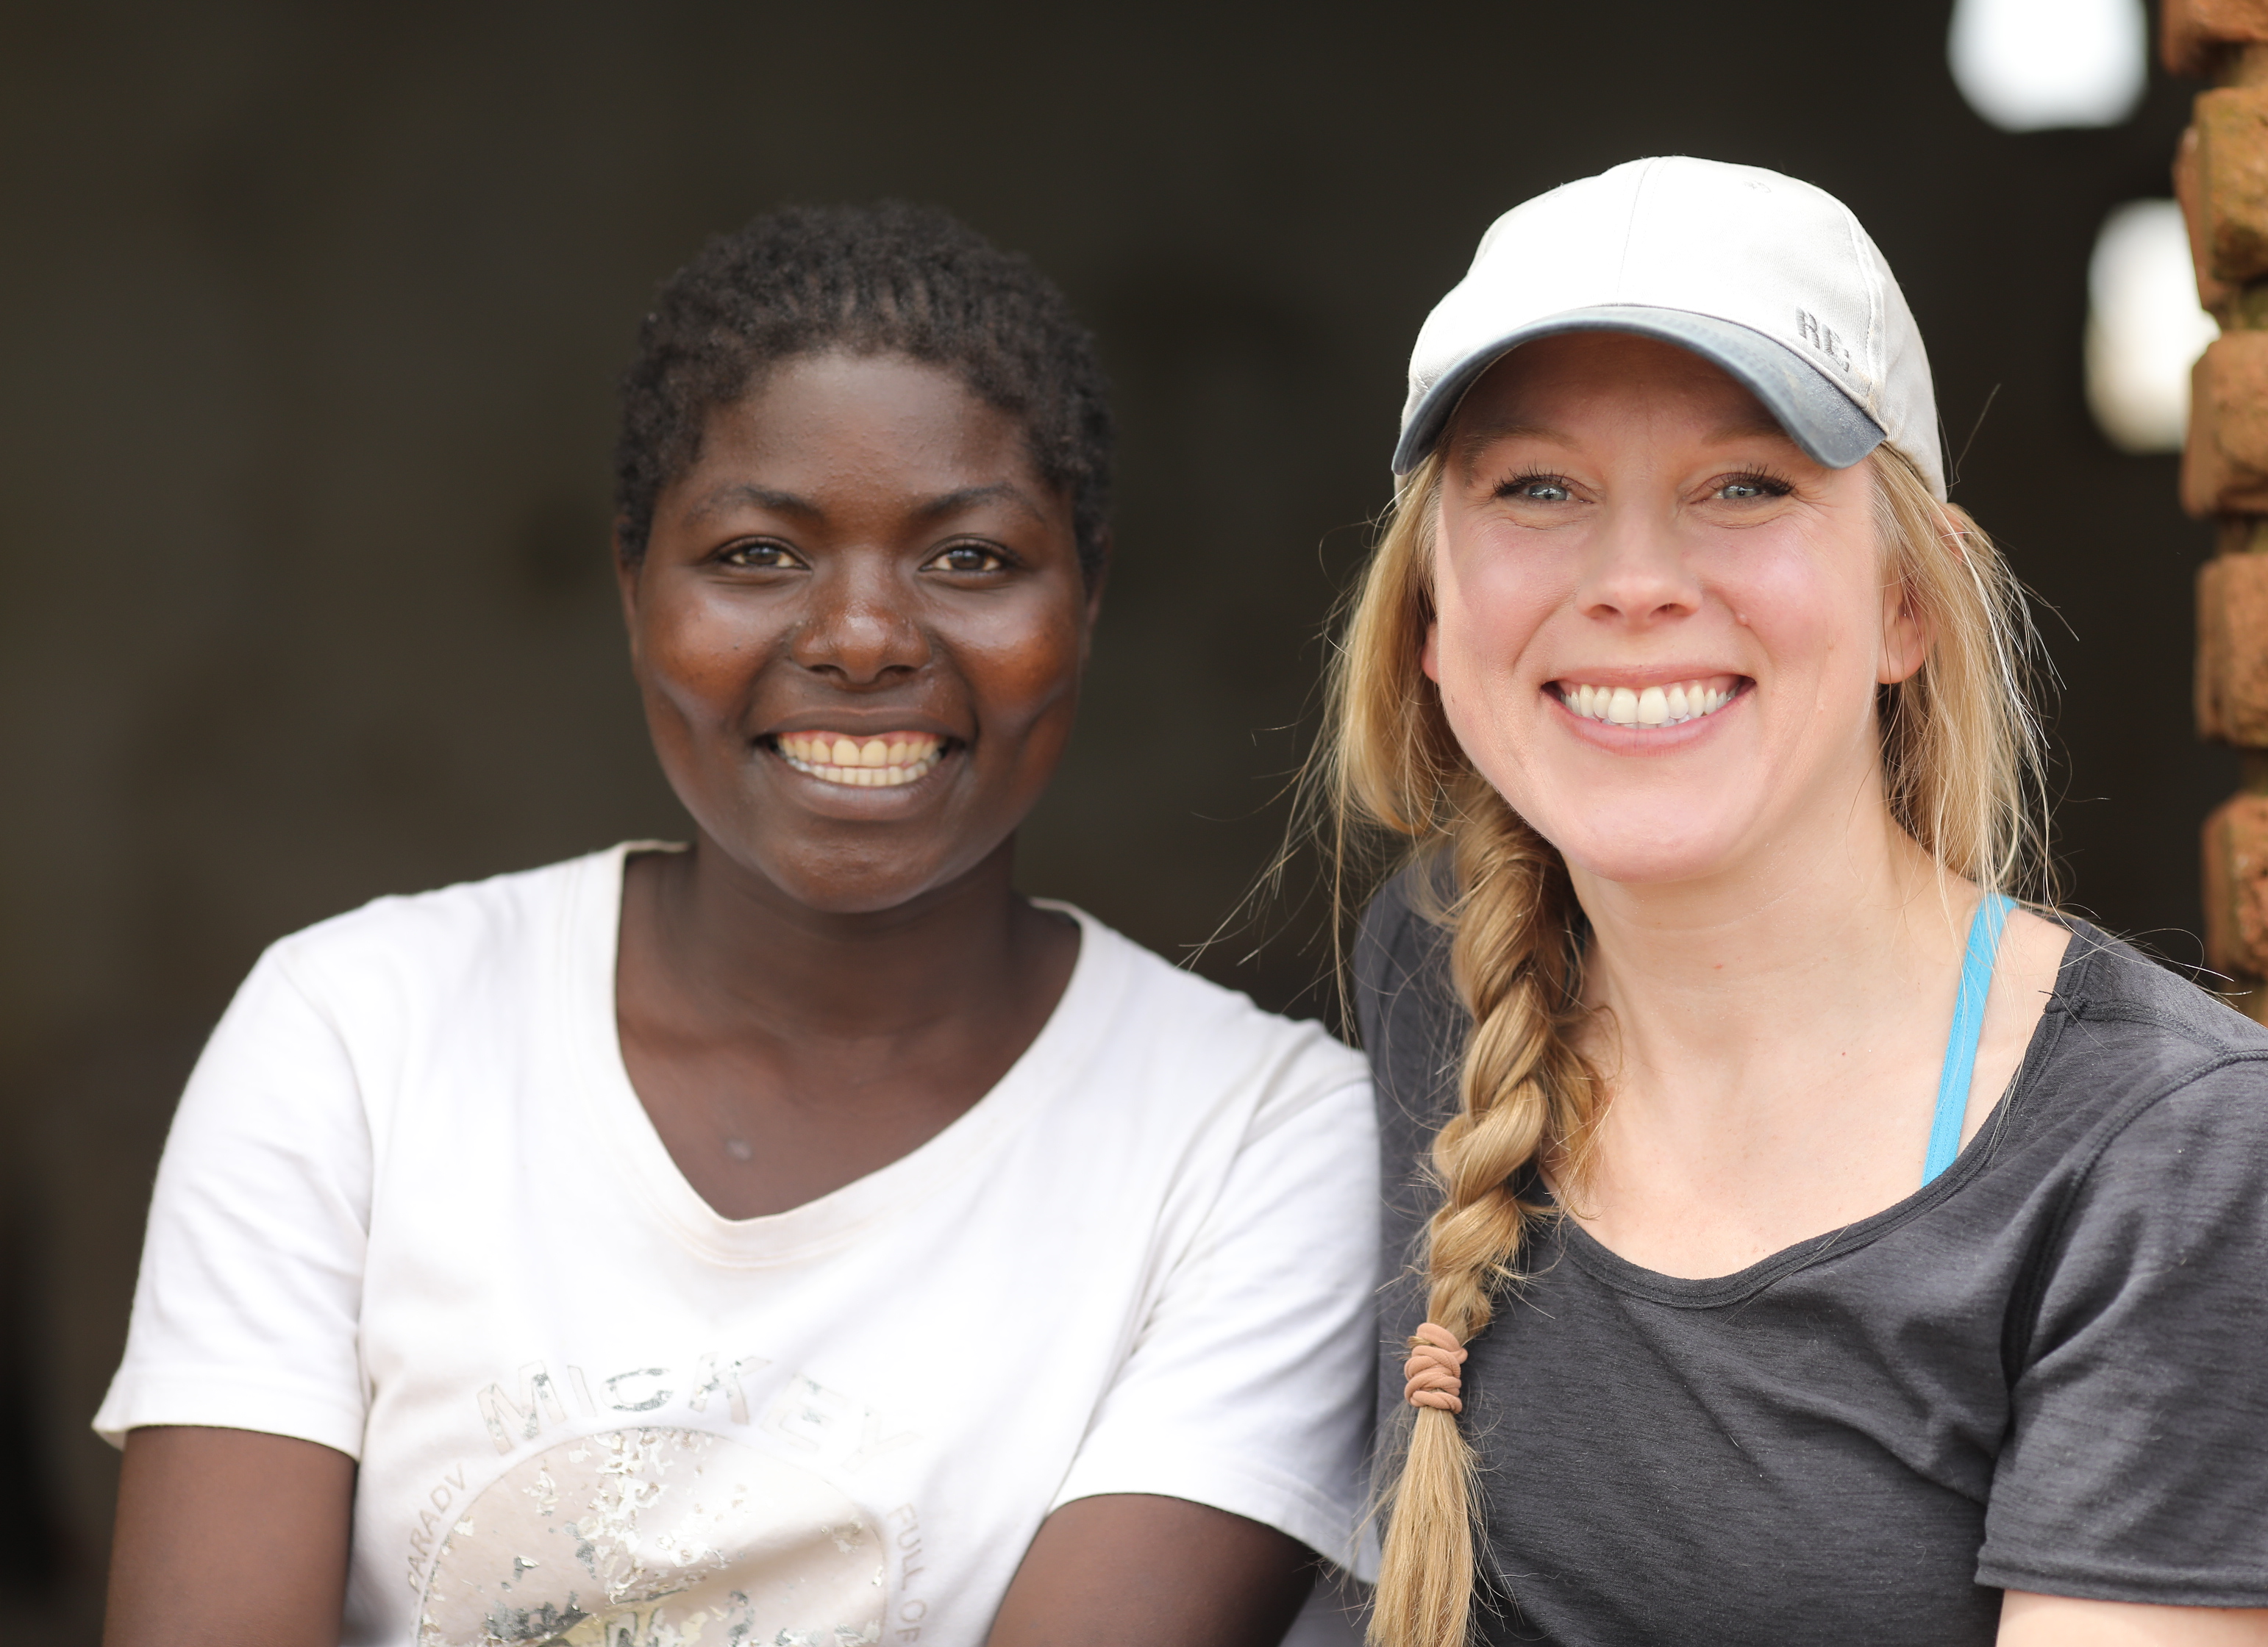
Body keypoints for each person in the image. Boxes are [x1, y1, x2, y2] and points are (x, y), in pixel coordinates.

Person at [96, 201, 1377, 1647]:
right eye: (760, 553)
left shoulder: (1259, 1143)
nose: (863, 637)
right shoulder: (359, 1033)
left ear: (1085, 601)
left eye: (970, 559)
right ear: (634, 589)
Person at [1323, 158, 2268, 1647]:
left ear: (1911, 598)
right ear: (1435, 620)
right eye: (1537, 488)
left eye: (1745, 485)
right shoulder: (1437, 960)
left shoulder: (2185, 1157)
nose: (1635, 577)